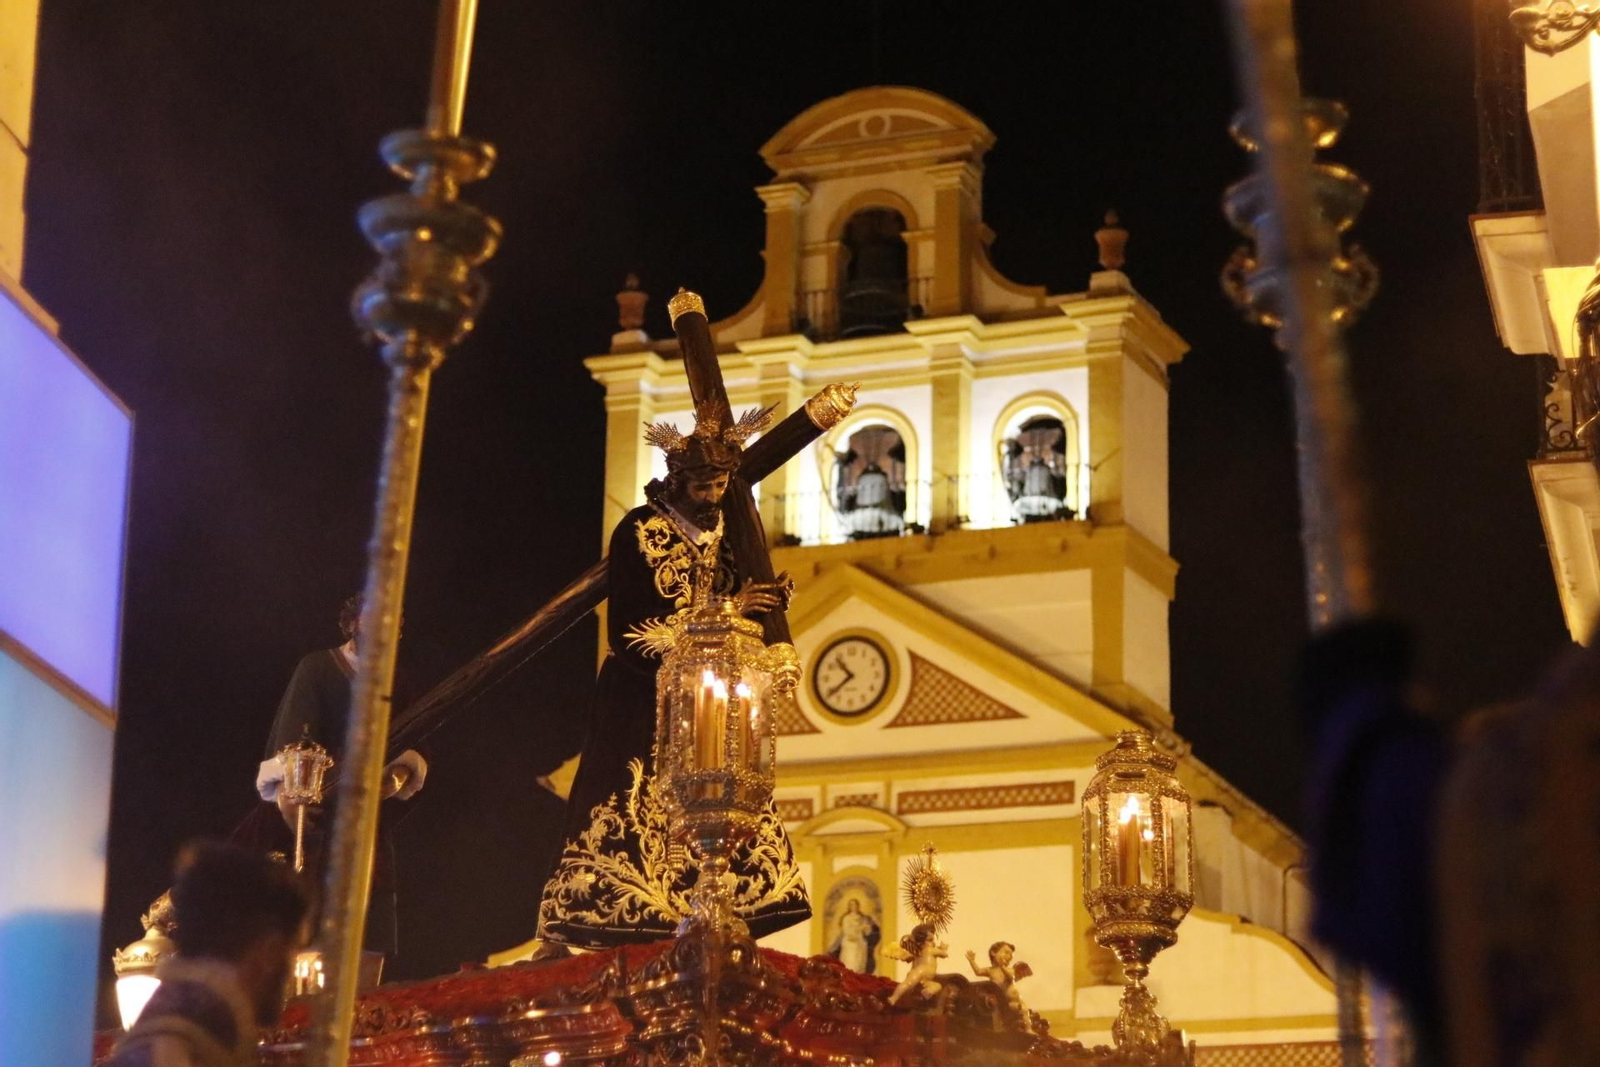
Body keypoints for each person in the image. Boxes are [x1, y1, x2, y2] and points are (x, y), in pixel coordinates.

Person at [538, 403, 810, 946]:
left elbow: (740, 613)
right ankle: (619, 915)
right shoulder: (639, 532)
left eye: (721, 484)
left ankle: (722, 908)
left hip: (713, 704)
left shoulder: (731, 535)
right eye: (704, 486)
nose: (713, 497)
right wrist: (731, 609)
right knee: (630, 801)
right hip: (644, 698)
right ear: (679, 480)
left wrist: (761, 608)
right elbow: (633, 632)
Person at [252, 593, 426, 959]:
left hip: (368, 825)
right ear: (352, 624)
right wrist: (290, 794)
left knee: (368, 934)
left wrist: (393, 777)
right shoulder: (318, 668)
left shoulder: (400, 683)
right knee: (307, 929)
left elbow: (412, 746)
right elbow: (292, 744)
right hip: (316, 818)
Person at [105, 843, 311, 1067]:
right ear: (270, 951)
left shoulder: (196, 1035)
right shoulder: (178, 1050)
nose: (293, 969)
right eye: (294, 949)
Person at [966, 940, 1032, 1028]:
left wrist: (1002, 967)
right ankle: (998, 1029)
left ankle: (1028, 1028)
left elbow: (1011, 977)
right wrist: (972, 961)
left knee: (1023, 1011)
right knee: (996, 1012)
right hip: (999, 999)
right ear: (993, 953)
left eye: (1011, 955)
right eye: (1006, 952)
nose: (1009, 956)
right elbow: (978, 972)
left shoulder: (1009, 970)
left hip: (1012, 1000)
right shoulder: (990, 970)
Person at [884, 922, 948, 1006]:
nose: (933, 942)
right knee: (907, 984)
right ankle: (893, 998)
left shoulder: (918, 953)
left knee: (937, 985)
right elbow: (944, 954)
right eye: (930, 940)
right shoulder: (930, 950)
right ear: (920, 943)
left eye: (933, 939)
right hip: (921, 972)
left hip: (923, 978)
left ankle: (927, 992)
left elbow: (908, 958)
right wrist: (943, 948)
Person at [828, 898, 879, 974]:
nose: (854, 906)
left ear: (858, 906)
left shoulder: (862, 918)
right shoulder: (846, 918)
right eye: (852, 905)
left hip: (860, 943)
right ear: (849, 907)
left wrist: (868, 928)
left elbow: (867, 932)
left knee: (859, 964)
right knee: (850, 963)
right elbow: (847, 931)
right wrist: (858, 930)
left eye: (855, 905)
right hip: (849, 942)